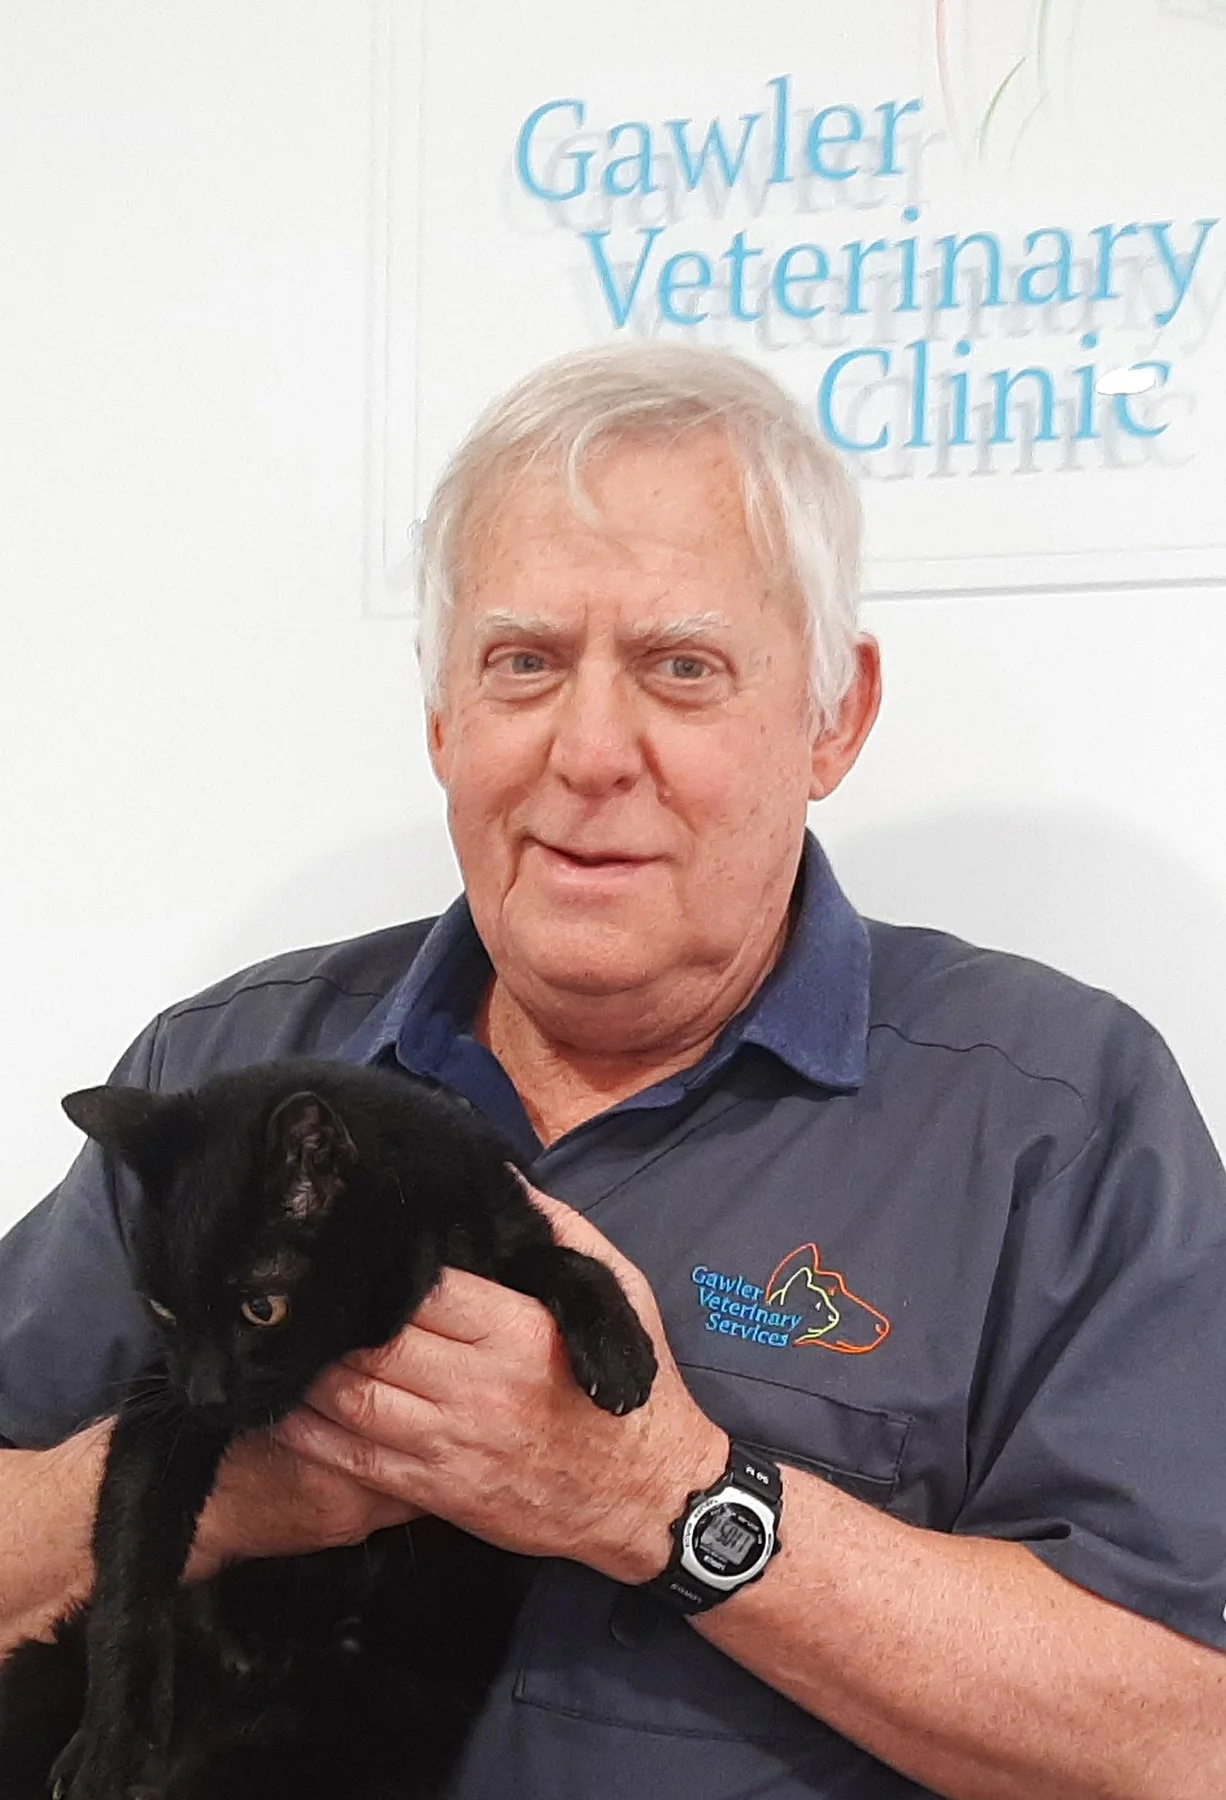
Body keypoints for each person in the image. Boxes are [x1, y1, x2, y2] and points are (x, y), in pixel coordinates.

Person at [0, 344, 1224, 1800]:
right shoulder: (222, 1070)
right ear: (444, 717)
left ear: (833, 716)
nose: (590, 751)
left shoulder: (1047, 1116)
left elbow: (1178, 1738)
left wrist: (664, 1497)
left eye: (680, 668)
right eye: (523, 663)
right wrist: (232, 1489)